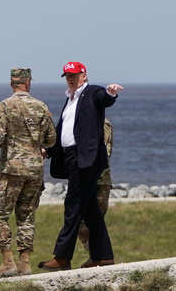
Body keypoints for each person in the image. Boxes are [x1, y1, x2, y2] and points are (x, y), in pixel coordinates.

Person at [39, 61, 123, 271]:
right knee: (90, 210)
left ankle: (62, 257)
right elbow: (63, 131)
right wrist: (49, 150)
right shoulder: (69, 100)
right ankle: (103, 256)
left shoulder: (92, 92)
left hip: (85, 159)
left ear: (84, 75)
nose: (71, 78)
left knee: (73, 205)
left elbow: (105, 99)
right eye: (68, 75)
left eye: (75, 75)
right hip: (71, 157)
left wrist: (111, 93)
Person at [0, 67, 56, 279]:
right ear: (28, 83)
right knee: (26, 215)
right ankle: (24, 263)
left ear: (12, 84)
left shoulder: (5, 106)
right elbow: (51, 139)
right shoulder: (41, 106)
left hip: (12, 169)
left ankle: (8, 262)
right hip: (35, 169)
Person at [78, 118, 113, 266]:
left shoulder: (102, 122)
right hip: (84, 180)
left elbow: (105, 151)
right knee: (81, 224)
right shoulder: (80, 121)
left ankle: (100, 257)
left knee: (91, 222)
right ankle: (97, 256)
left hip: (99, 181)